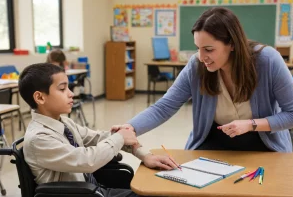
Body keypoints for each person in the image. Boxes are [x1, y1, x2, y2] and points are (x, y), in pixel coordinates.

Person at [112, 7, 293, 152]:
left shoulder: (267, 61)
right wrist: (131, 127)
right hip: (214, 141)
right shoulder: (197, 65)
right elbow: (164, 107)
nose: (201, 56)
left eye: (209, 49)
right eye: (198, 48)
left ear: (231, 44)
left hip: (263, 142)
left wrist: (251, 124)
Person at [18, 63, 178, 197]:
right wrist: (120, 137)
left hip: (95, 189)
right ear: (40, 97)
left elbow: (98, 138)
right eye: (62, 89)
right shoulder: (39, 138)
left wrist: (144, 155)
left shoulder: (63, 122)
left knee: (155, 189)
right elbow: (87, 160)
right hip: (83, 194)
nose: (71, 94)